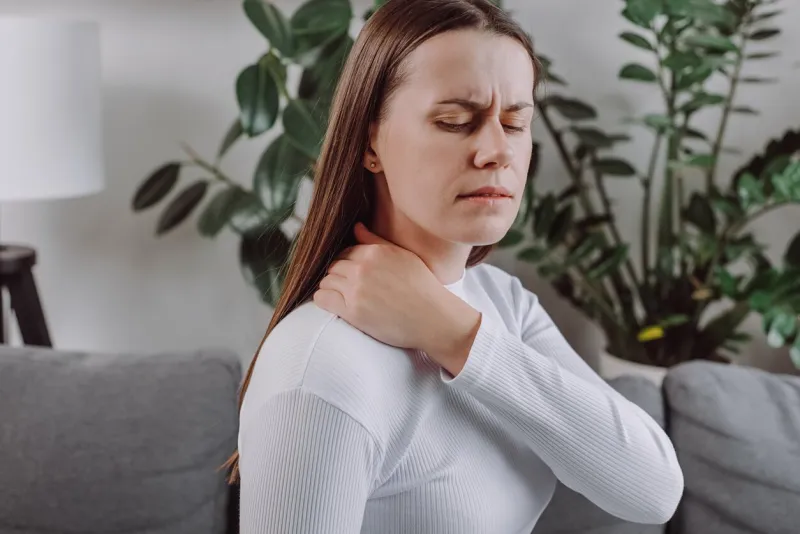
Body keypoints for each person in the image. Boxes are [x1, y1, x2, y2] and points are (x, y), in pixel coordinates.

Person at [223, 0, 685, 532]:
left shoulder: (501, 302)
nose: (497, 151)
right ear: (371, 140)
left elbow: (653, 491)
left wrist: (453, 333)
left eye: (515, 123)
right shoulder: (321, 368)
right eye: (456, 121)